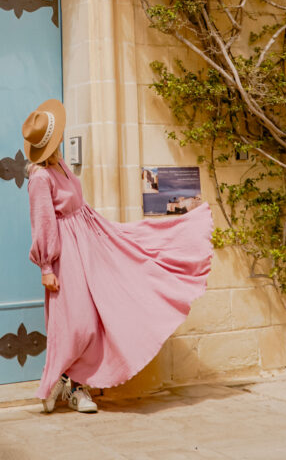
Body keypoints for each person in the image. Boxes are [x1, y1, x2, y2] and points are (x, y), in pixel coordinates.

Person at [23, 98, 214, 415]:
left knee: (104, 312)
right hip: (66, 254)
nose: (59, 145)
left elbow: (78, 206)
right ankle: (58, 378)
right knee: (76, 323)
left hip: (90, 240)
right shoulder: (40, 178)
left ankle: (74, 386)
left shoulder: (61, 166)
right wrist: (46, 266)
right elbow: (42, 223)